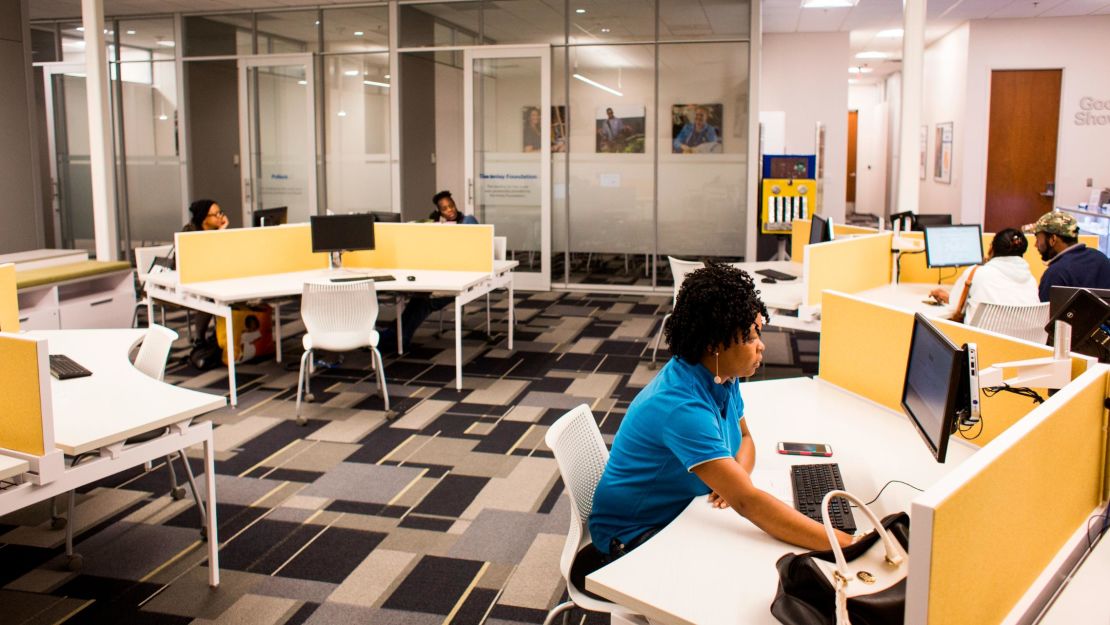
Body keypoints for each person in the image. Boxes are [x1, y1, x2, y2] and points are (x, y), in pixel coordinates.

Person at [588, 262, 854, 562]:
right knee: (753, 562)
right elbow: (748, 502)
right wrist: (847, 544)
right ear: (715, 345)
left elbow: (745, 437)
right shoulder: (681, 406)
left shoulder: (722, 374)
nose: (761, 347)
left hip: (684, 509)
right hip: (632, 535)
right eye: (751, 338)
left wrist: (735, 477)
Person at [386, 191, 478, 352]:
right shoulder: (436, 224)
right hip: (441, 277)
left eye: (451, 206)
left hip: (461, 280)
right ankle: (395, 337)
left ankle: (395, 338)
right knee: (418, 299)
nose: (450, 210)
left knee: (424, 302)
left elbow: (471, 249)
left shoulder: (467, 221)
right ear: (439, 211)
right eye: (445, 209)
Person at [928, 228, 1039, 322]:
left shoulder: (976, 273)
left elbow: (954, 308)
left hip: (980, 344)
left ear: (991, 249)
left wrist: (950, 298)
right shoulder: (1031, 281)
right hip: (1024, 346)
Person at [1029, 211, 1110, 301]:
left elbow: (1046, 313)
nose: (1036, 245)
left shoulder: (1055, 273)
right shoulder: (1101, 258)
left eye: (1037, 239)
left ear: (1053, 239)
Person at [182, 199, 228, 345]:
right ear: (204, 218)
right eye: (216, 214)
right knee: (210, 296)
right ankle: (199, 338)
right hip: (188, 278)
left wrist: (221, 232)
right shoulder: (190, 233)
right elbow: (200, 260)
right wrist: (221, 233)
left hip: (212, 277)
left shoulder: (215, 231)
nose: (220, 217)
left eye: (221, 212)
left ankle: (222, 335)